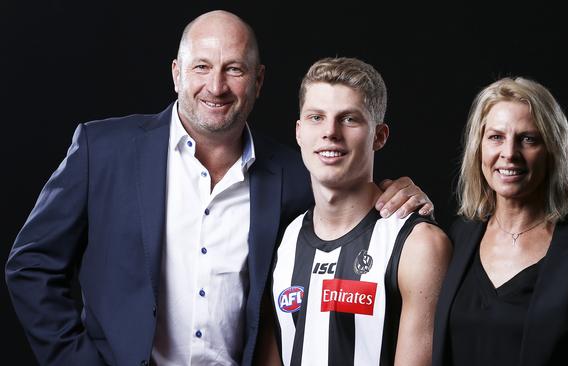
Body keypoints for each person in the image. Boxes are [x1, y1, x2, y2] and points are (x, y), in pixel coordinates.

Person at [4, 10, 434, 366]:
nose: (216, 86)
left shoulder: (292, 175)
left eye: (234, 69)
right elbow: (31, 265)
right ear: (176, 73)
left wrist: (399, 190)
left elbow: (344, 197)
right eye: (202, 67)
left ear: (259, 80)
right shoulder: (103, 151)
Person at [432, 77, 568, 365]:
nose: (509, 154)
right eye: (496, 137)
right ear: (478, 148)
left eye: (528, 139)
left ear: (553, 150)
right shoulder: (458, 237)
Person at [259, 57, 451, 365]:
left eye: (349, 119)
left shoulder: (418, 245)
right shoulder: (282, 241)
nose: (330, 132)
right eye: (316, 117)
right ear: (299, 132)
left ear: (379, 136)